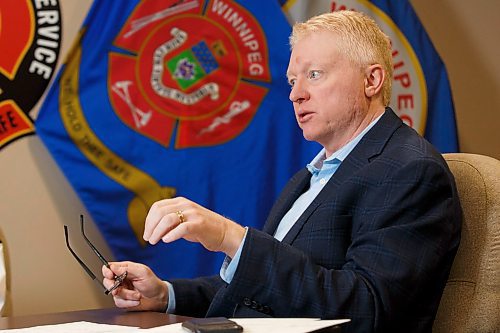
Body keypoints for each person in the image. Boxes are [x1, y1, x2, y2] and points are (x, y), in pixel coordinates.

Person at [103, 10, 462, 332]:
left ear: (372, 81)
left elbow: (368, 310)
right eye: (293, 81)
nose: (296, 94)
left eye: (314, 75)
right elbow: (265, 287)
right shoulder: (312, 176)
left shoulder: (411, 170)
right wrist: (165, 295)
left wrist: (231, 237)